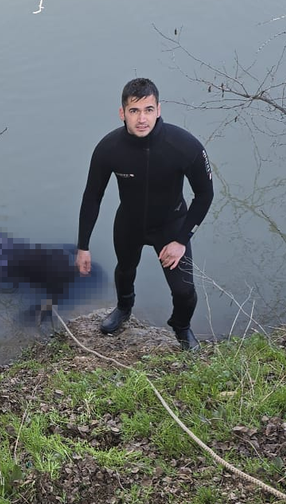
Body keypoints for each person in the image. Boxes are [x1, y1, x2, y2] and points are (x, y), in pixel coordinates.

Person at [75, 78, 214, 351]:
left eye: (148, 110)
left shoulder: (184, 145)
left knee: (185, 291)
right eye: (134, 110)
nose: (142, 119)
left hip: (172, 226)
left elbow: (205, 195)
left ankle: (181, 327)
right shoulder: (109, 149)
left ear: (159, 110)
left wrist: (181, 240)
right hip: (130, 223)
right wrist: (83, 246)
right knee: (125, 270)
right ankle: (124, 308)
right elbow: (92, 197)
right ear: (122, 113)